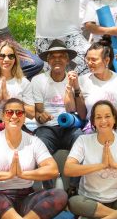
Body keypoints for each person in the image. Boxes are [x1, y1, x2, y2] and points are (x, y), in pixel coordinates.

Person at [30, 40, 80, 190]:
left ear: (67, 59)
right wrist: (41, 116)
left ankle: (74, 189)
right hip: (47, 128)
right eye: (53, 56)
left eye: (61, 56)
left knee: (81, 141)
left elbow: (74, 109)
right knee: (39, 146)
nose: (57, 59)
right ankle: (49, 191)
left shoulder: (74, 79)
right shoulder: (39, 80)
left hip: (69, 125)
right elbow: (38, 110)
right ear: (48, 61)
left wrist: (73, 87)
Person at [69, 42, 117, 131]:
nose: (89, 63)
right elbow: (82, 115)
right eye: (87, 59)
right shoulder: (82, 81)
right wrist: (77, 89)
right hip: (94, 129)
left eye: (93, 60)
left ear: (106, 60)